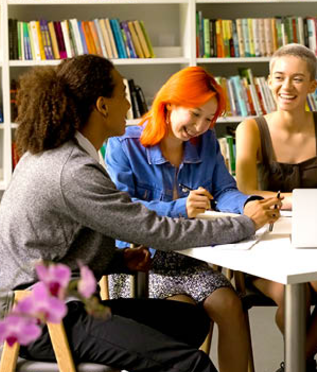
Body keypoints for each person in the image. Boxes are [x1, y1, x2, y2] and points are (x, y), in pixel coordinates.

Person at [0, 55, 280, 372]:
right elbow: (158, 231)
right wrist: (245, 224)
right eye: (123, 96)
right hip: (42, 319)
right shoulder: (71, 171)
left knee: (189, 323)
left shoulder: (59, 155)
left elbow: (56, 244)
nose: (129, 107)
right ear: (102, 106)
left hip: (49, 302)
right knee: (192, 364)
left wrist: (119, 261)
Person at [104, 66, 259, 372]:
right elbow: (120, 211)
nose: (201, 126)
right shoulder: (124, 145)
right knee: (182, 314)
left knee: (231, 305)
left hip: (188, 256)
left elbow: (225, 190)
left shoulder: (207, 142)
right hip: (138, 262)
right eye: (195, 113)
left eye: (208, 119)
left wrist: (250, 205)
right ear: (170, 102)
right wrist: (178, 208)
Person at [234, 43, 317, 372]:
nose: (287, 87)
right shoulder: (250, 128)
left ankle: (295, 365)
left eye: (298, 79)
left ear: (312, 86)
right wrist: (303, 200)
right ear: (268, 81)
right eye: (279, 78)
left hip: (316, 238)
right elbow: (245, 192)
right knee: (295, 296)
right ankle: (302, 365)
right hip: (264, 242)